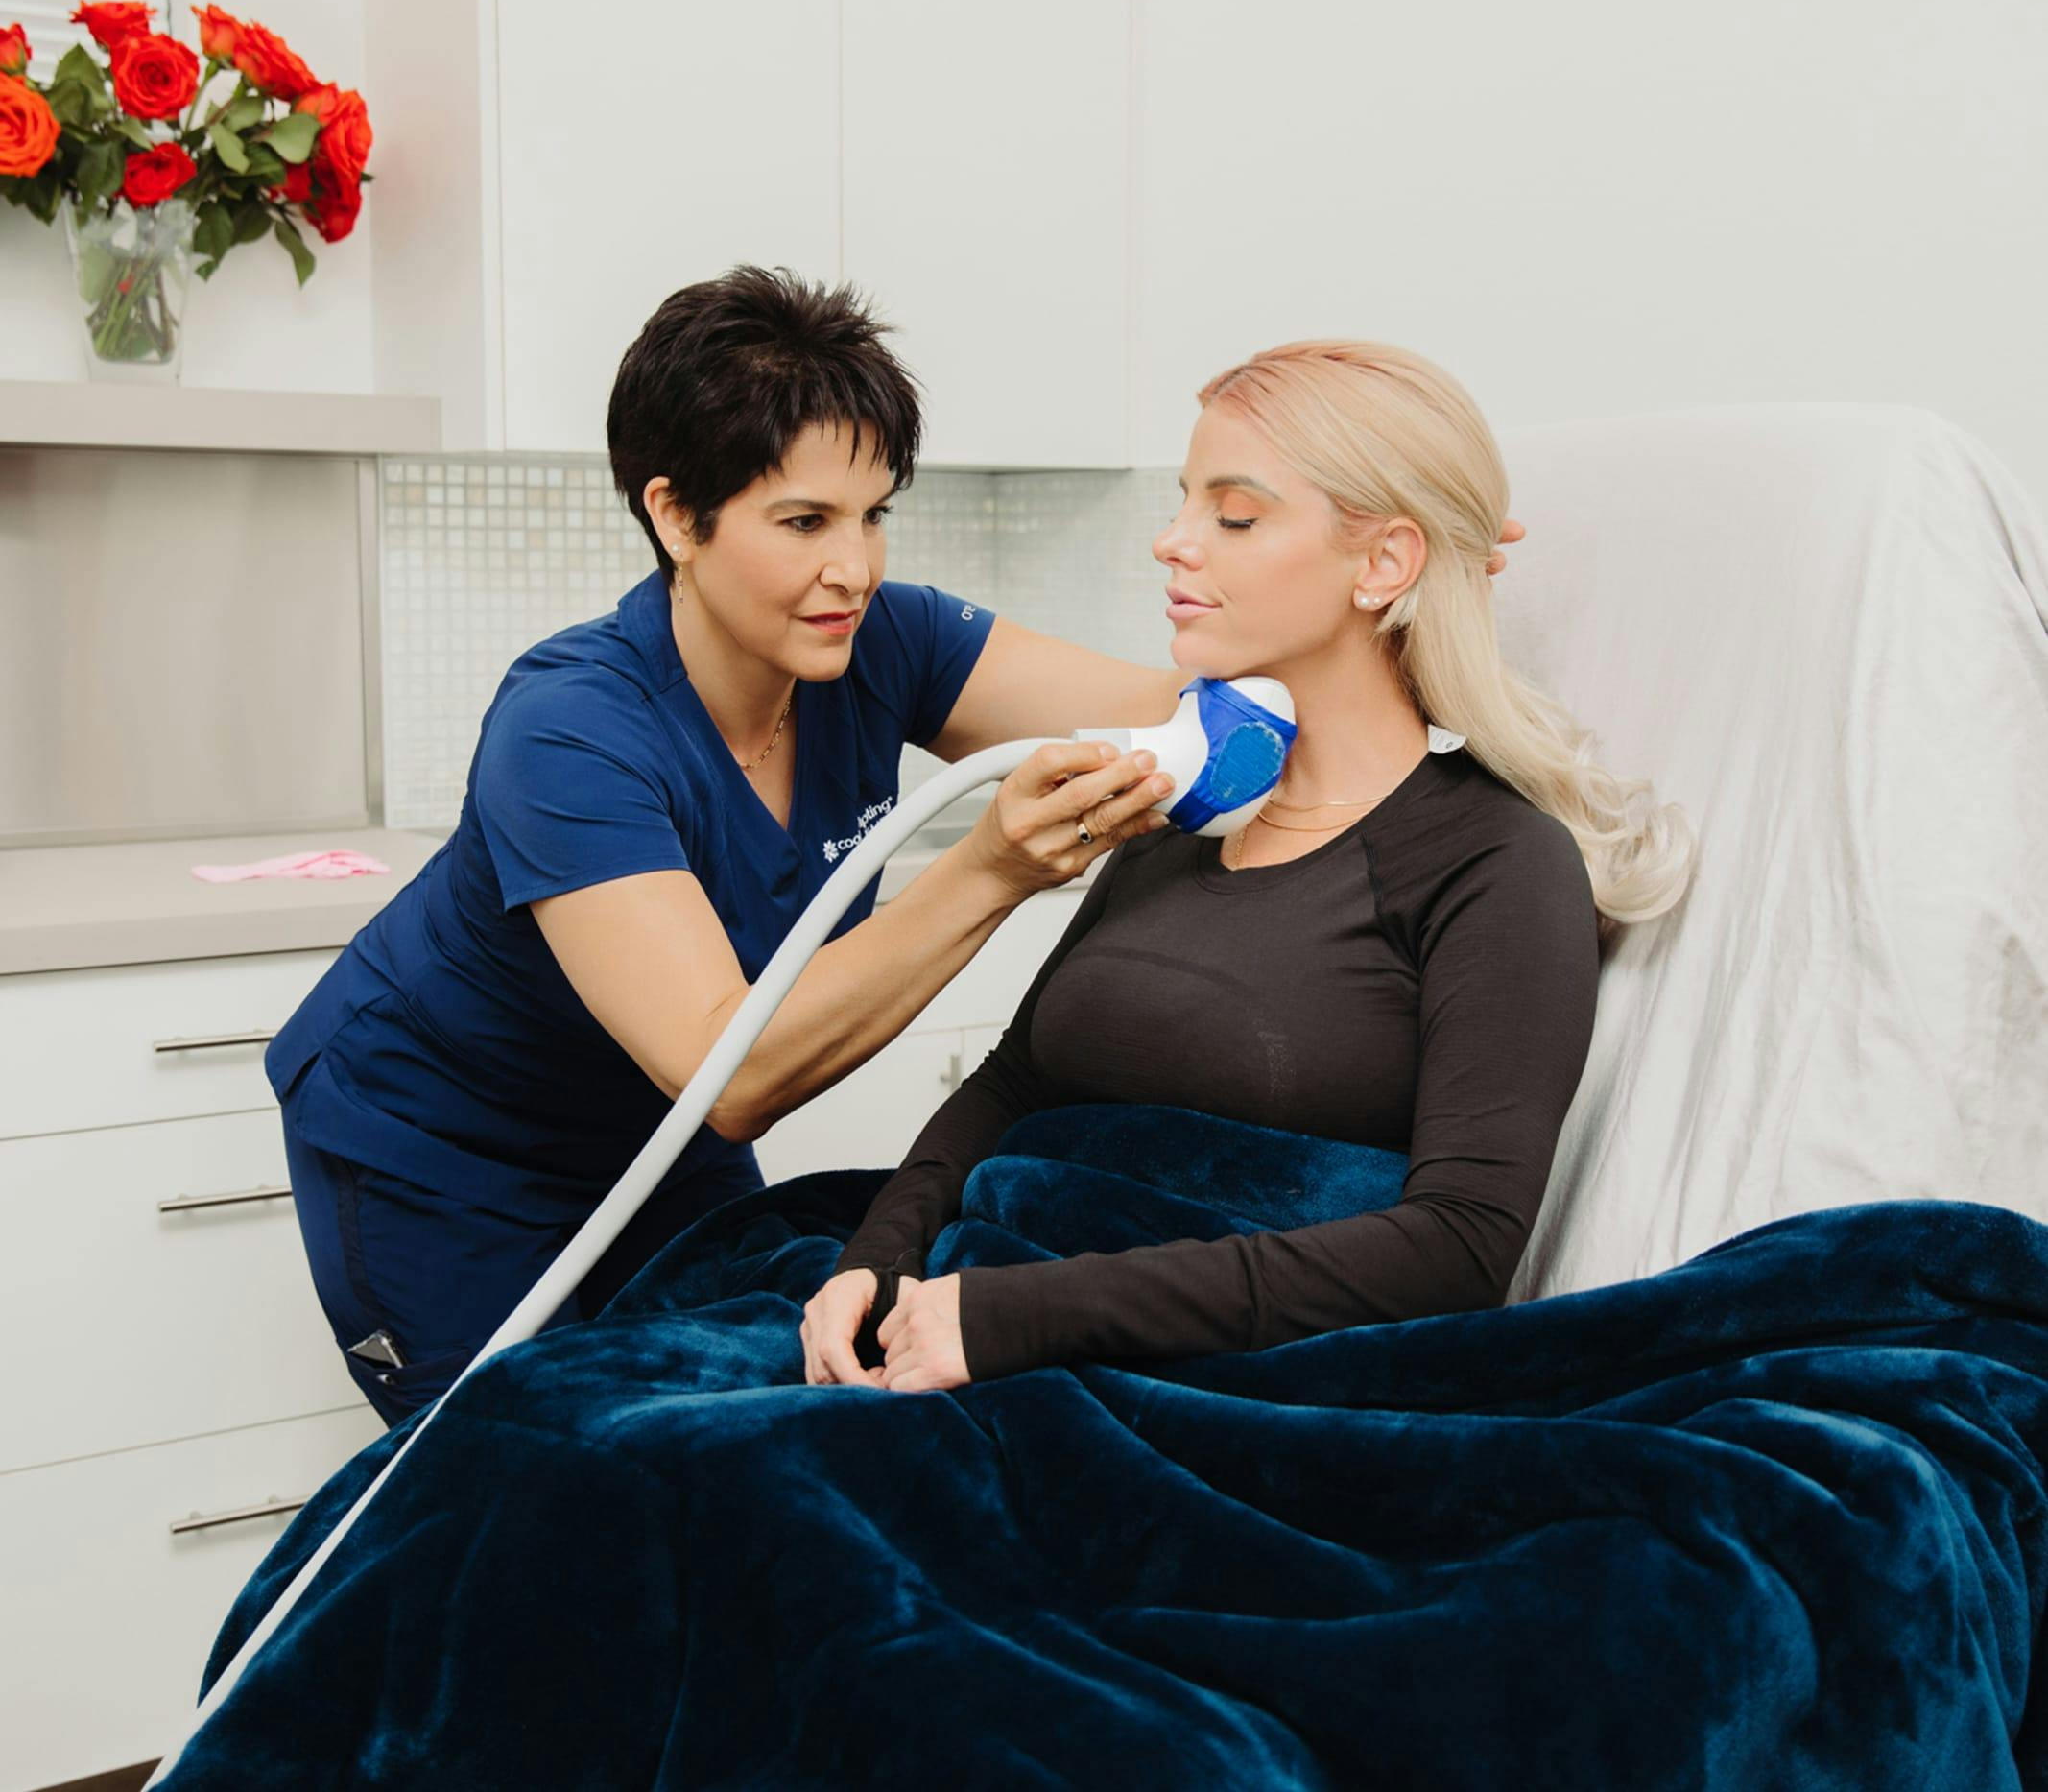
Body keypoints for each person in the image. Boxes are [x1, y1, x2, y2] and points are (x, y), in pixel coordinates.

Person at [266, 261, 1535, 1425]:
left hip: (670, 1152)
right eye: (804, 522)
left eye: (875, 516)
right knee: (499, 1483)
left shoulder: (885, 645)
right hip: (442, 1156)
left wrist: (1431, 579)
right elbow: (728, 1072)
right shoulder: (570, 731)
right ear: (675, 515)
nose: (853, 568)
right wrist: (990, 872)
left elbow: (1188, 718)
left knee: (708, 1441)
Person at [803, 337, 1697, 1392]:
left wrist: (1025, 1317)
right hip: (973, 1315)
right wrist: (874, 1259)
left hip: (1190, 1384)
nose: (1171, 543)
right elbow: (1013, 1082)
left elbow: (1459, 1244)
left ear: (1384, 563)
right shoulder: (1176, 820)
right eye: (1186, 503)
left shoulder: (1495, 864)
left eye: (1232, 515)